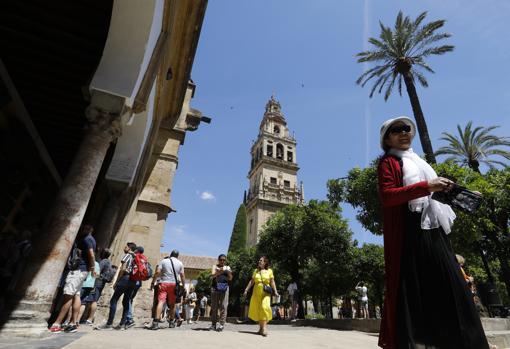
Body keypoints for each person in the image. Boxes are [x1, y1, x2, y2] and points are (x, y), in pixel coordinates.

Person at [377, 116, 489, 349]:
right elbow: (388, 196)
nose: (404, 132)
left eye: (407, 128)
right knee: (416, 292)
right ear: (387, 139)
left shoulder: (420, 162)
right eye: (396, 130)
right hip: (410, 235)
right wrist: (427, 186)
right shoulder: (389, 162)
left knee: (455, 287)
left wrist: (462, 193)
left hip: (434, 230)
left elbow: (434, 195)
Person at [49, 225, 96, 333]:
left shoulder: (87, 239)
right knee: (76, 295)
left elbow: (92, 255)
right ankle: (73, 323)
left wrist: (92, 268)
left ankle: (57, 323)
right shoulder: (92, 239)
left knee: (68, 296)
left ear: (87, 229)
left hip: (78, 270)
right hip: (82, 271)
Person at [97, 242, 137, 330]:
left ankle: (109, 324)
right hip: (133, 281)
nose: (124, 247)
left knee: (114, 300)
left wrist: (117, 281)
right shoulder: (136, 257)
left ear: (129, 248)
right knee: (126, 301)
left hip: (125, 278)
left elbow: (122, 269)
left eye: (126, 247)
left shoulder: (128, 255)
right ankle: (122, 324)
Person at [243, 256, 279, 337]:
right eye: (259, 260)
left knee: (264, 307)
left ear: (265, 262)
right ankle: (261, 328)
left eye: (261, 261)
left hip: (266, 293)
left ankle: (264, 328)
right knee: (259, 310)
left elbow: (272, 282)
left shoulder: (269, 271)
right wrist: (246, 290)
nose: (259, 262)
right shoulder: (256, 271)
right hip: (256, 293)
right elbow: (252, 281)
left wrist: (275, 291)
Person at [149, 250, 185, 330]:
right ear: (177, 256)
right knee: (172, 304)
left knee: (161, 301)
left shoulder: (164, 261)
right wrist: (183, 285)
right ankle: (171, 322)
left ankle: (155, 322)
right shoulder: (180, 263)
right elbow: (182, 275)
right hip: (173, 285)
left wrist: (153, 282)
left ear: (170, 254)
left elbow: (157, 272)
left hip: (163, 283)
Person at [86, 249, 115, 324]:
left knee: (93, 300)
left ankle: (89, 318)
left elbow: (98, 271)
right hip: (101, 283)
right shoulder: (108, 262)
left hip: (97, 282)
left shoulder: (103, 261)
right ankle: (89, 318)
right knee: (95, 299)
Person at [209, 254, 233, 332]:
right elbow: (212, 276)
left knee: (223, 306)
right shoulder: (214, 267)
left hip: (225, 288)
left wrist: (228, 272)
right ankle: (213, 324)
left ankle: (221, 324)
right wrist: (219, 272)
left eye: (224, 260)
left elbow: (230, 278)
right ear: (218, 260)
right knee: (214, 307)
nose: (222, 261)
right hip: (215, 288)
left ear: (225, 261)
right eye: (221, 260)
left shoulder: (228, 267)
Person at [78, 258, 100, 324]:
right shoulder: (97, 264)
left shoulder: (86, 261)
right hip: (90, 285)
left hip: (82, 283)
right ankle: (77, 320)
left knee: (76, 300)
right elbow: (97, 275)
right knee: (83, 303)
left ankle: (69, 320)